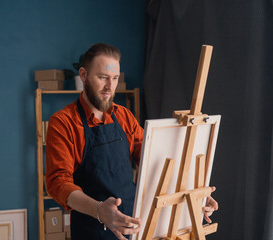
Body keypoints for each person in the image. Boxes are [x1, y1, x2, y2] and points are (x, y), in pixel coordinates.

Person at [45, 43, 218, 240]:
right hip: (90, 231)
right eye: (103, 78)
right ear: (83, 75)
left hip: (133, 227)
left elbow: (156, 162)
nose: (110, 87)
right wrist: (100, 210)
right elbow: (59, 183)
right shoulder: (63, 122)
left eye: (115, 78)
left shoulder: (124, 117)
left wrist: (192, 195)